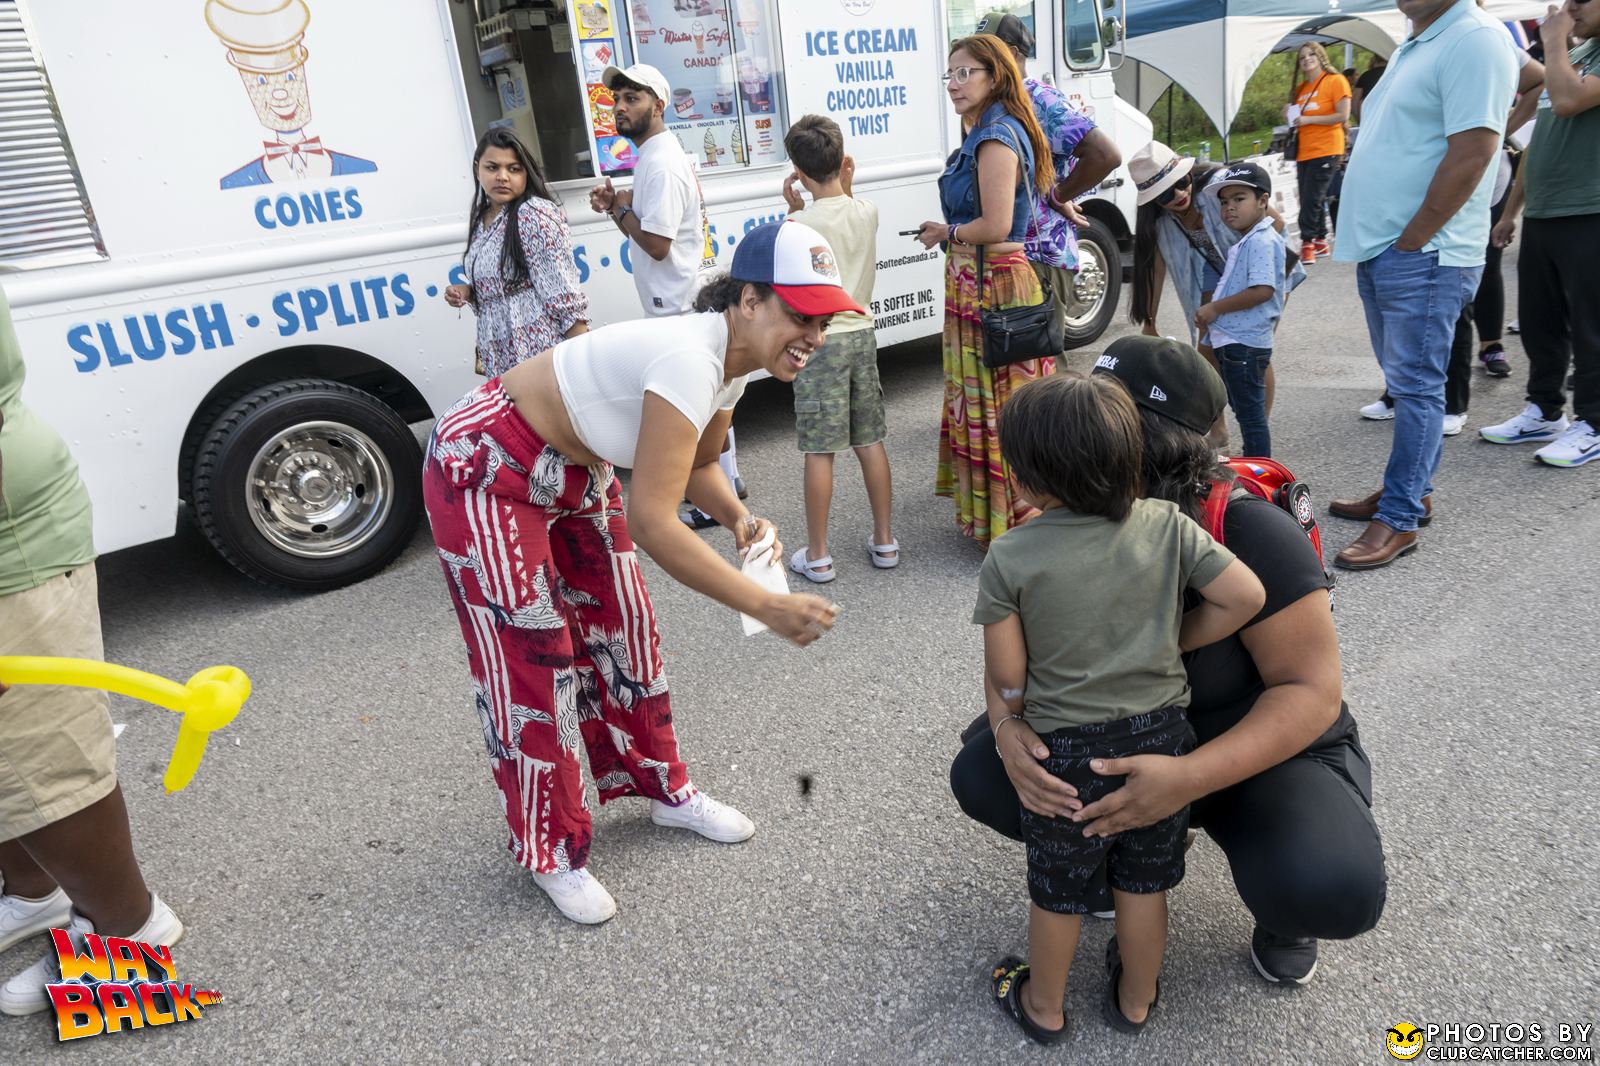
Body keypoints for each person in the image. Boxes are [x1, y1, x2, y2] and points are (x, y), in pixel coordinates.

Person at [421, 220, 852, 925]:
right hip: (487, 461)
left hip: (575, 465)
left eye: (825, 318)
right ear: (748, 301)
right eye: (802, 315)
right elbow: (655, 524)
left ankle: (664, 790)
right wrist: (764, 605)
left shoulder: (730, 364)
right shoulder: (690, 357)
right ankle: (549, 849)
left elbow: (701, 468)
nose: (816, 334)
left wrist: (739, 520)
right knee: (533, 659)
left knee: (627, 632)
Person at [953, 335, 1387, 990]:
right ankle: (1127, 854)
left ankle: (1280, 912)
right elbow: (1012, 653)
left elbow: (1310, 691)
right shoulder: (1062, 516)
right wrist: (1008, 728)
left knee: (1325, 882)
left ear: (1149, 448)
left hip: (1253, 752)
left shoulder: (1246, 532)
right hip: (1124, 732)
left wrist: (1187, 778)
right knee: (987, 773)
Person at [978, 372, 1264, 1043]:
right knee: (1145, 882)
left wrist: (1013, 711)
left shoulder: (1011, 555)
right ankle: (1136, 1000)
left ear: (1027, 478)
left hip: (1064, 750)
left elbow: (1007, 673)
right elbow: (1244, 598)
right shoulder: (1166, 525)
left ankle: (1043, 1008)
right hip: (1163, 739)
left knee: (1058, 890)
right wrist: (1173, 638)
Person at [0, 287, 184, 1016]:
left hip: (12, 553)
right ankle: (34, 894)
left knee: (40, 758)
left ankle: (130, 935)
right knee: (11, 763)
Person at [1326, 0, 1516, 570]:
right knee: (1407, 383)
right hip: (1390, 250)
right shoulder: (1423, 39)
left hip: (1424, 253)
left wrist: (1414, 236)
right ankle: (1410, 487)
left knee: (1417, 388)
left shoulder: (1475, 36)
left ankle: (1402, 517)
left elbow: (1475, 149)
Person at [587, 63, 746, 523]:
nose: (619, 107)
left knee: (693, 410)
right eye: (616, 99)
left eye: (632, 98)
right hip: (684, 295)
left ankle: (712, 502)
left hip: (677, 302)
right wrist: (618, 205)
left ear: (659, 106)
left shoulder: (659, 162)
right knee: (715, 400)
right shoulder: (658, 156)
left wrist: (618, 212)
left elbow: (657, 244)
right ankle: (727, 485)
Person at [915, 34, 1057, 547]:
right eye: (949, 74)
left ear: (994, 76)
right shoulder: (984, 130)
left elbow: (996, 224)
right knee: (985, 403)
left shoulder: (996, 135)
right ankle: (998, 517)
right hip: (975, 280)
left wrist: (947, 233)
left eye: (964, 73)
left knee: (1005, 410)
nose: (953, 84)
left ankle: (1018, 521)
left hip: (993, 283)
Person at [1479, 0, 1600, 468]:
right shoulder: (1578, 54)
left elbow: (1568, 102)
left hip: (1590, 209)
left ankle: (1594, 421)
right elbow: (1544, 136)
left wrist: (1553, 39)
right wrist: (1511, 211)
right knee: (1539, 320)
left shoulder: (1566, 53)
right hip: (1547, 213)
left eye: (1582, 0)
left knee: (1591, 325)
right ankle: (1546, 410)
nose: (1569, 7)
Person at [778, 116, 897, 581]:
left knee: (820, 450)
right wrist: (845, 183)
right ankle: (885, 540)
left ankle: (819, 554)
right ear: (843, 162)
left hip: (819, 339)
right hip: (862, 335)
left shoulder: (797, 224)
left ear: (797, 171)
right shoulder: (865, 210)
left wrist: (792, 208)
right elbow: (850, 203)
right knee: (870, 439)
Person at [1127, 141, 1295, 447]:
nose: (1179, 194)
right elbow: (1155, 270)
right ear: (1152, 200)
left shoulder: (1223, 185)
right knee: (1206, 355)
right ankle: (1218, 430)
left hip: (1259, 275)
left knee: (1252, 355)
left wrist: (1250, 259)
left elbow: (1276, 223)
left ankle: (1257, 430)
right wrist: (1149, 322)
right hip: (1215, 276)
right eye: (1166, 193)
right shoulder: (1160, 224)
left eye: (1181, 182)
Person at [975, 12, 1123, 331]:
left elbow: (1105, 155)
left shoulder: (1038, 100)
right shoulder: (994, 105)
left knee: (1041, 372)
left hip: (1039, 260)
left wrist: (1058, 194)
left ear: (1013, 54)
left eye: (987, 53)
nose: (979, 62)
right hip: (1013, 257)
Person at [444, 129, 588, 379]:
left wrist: (585, 365)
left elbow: (563, 295)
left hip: (537, 353)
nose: (502, 177)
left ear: (526, 173)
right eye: (492, 167)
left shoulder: (533, 214)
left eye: (514, 169)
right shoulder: (482, 215)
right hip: (500, 356)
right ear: (478, 169)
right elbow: (505, 280)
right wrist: (469, 291)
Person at [1196, 163, 1288, 457]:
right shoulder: (1249, 239)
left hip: (1244, 344)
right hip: (1235, 342)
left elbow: (1263, 290)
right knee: (1245, 410)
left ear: (1263, 202)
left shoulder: (1261, 240)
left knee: (1251, 418)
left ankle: (1258, 471)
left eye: (1239, 199)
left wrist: (1214, 308)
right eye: (1224, 202)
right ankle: (1255, 465)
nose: (1229, 208)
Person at [1286, 43, 1352, 264]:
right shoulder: (1301, 89)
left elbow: (1342, 115)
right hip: (1304, 150)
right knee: (1309, 196)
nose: (1307, 59)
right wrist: (1289, 114)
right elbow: (1296, 122)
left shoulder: (1335, 81)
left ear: (1321, 56)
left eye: (1311, 54)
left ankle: (1307, 242)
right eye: (1302, 56)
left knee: (1312, 198)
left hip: (1328, 148)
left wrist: (1309, 119)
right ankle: (1321, 240)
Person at [1353, 55, 1388, 124]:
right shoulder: (1394, 74)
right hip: (1387, 116)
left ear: (1374, 60)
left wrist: (1359, 120)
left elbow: (1355, 101)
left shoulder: (1365, 76)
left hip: (1368, 116)